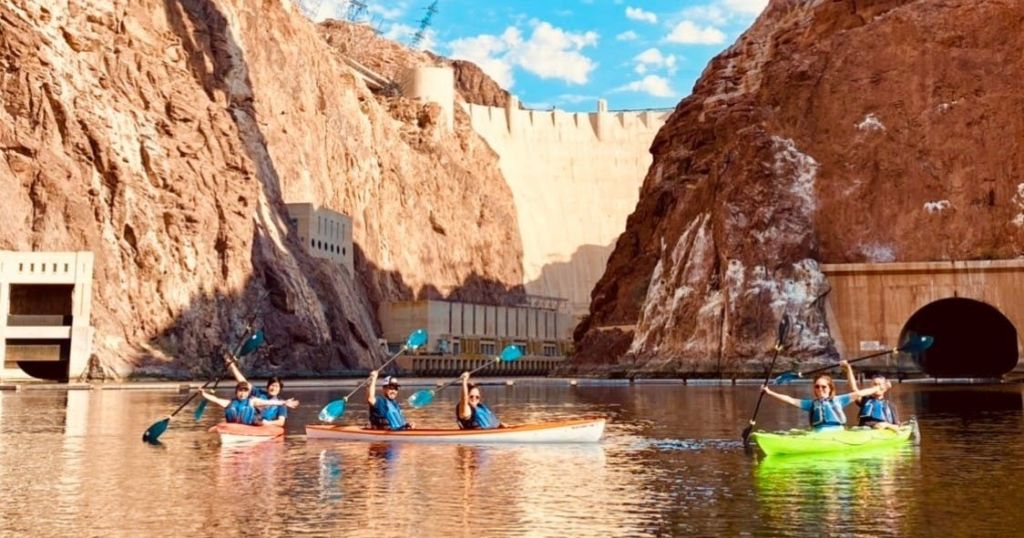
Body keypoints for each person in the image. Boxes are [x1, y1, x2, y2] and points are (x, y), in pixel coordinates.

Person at [761, 373, 886, 430]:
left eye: (823, 386)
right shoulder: (811, 404)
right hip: (818, 433)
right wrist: (770, 392)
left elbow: (858, 393)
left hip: (836, 432)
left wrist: (876, 388)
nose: (820, 389)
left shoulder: (839, 400)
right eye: (817, 387)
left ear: (830, 388)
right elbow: (791, 400)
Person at [226, 357, 298, 426]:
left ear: (280, 389)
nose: (273, 388)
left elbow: (281, 422)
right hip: (252, 421)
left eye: (276, 386)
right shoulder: (258, 393)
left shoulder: (282, 404)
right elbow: (243, 382)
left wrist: (268, 423)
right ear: (267, 387)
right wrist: (232, 367)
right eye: (272, 385)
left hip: (266, 425)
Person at [198, 382, 291, 426]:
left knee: (259, 421)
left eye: (245, 391)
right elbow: (215, 399)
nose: (242, 394)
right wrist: (203, 393)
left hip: (250, 426)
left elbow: (270, 402)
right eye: (240, 391)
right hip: (233, 428)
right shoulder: (229, 403)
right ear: (236, 392)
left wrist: (284, 402)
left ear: (248, 393)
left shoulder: (252, 401)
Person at [842, 360, 900, 431]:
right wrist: (848, 368)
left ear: (885, 388)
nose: (877, 387)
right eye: (875, 384)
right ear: (871, 386)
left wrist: (886, 424)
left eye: (879, 385)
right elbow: (854, 388)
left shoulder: (890, 405)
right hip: (863, 429)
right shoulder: (865, 400)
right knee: (854, 428)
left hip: (880, 430)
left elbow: (897, 427)